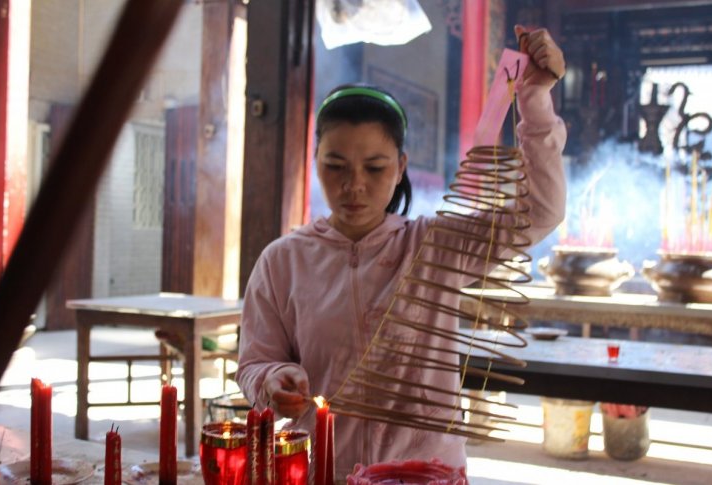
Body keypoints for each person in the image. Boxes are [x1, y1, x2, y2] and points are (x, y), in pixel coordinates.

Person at [236, 25, 567, 479]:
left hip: (427, 472)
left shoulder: (434, 245)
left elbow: (542, 211)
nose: (354, 185)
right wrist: (271, 380)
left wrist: (535, 99)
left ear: (400, 168)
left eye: (374, 167)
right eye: (335, 166)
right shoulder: (282, 261)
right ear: (316, 163)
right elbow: (255, 361)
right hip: (327, 471)